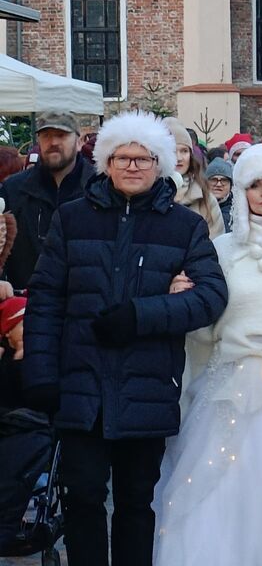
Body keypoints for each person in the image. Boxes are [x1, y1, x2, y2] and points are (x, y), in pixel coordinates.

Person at [22, 111, 228, 566]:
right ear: (106, 163)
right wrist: (41, 374)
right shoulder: (72, 218)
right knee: (83, 497)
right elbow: (46, 299)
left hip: (147, 384)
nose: (133, 166)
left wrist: (142, 314)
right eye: (122, 157)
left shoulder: (184, 226)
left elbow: (211, 297)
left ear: (160, 164)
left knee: (136, 501)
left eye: (143, 158)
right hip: (81, 385)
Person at [153, 144, 262, 566]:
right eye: (254, 185)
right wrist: (181, 297)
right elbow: (202, 326)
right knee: (212, 490)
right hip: (226, 388)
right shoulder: (221, 250)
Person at [0, 112, 94, 291]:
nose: (53, 142)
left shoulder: (100, 188)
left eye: (61, 135)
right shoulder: (13, 190)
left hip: (84, 299)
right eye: (46, 136)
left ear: (79, 142)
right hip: (26, 299)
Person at [164, 117, 225, 239]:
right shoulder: (145, 194)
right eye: (172, 151)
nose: (179, 158)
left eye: (184, 151)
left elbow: (216, 241)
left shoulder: (205, 198)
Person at [205, 156, 234, 232]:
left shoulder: (238, 211)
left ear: (230, 185)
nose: (218, 184)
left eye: (224, 180)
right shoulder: (197, 207)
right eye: (213, 179)